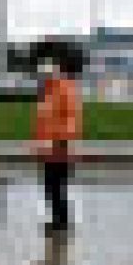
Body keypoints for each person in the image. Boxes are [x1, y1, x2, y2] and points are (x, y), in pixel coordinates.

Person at [33, 56, 83, 233]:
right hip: (49, 149)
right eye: (40, 75)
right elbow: (43, 122)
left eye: (44, 75)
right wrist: (39, 145)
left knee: (58, 187)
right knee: (50, 187)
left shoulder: (64, 90)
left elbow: (71, 118)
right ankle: (56, 220)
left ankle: (62, 223)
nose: (41, 78)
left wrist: (63, 140)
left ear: (54, 73)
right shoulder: (48, 92)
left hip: (61, 148)